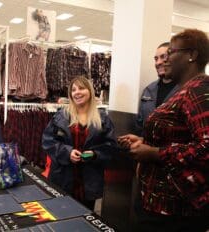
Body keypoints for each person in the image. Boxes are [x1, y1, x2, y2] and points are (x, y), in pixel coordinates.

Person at [118, 29, 209, 232]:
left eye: (172, 52)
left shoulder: (199, 91)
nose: (165, 59)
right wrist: (146, 142)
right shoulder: (187, 89)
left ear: (192, 55)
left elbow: (206, 148)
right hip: (159, 203)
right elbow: (179, 137)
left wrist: (155, 153)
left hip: (175, 210)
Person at [42, 76, 118, 210]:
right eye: (73, 90)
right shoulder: (61, 116)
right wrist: (67, 152)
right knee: (61, 216)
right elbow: (48, 141)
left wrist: (95, 154)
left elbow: (111, 147)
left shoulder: (102, 119)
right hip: (63, 177)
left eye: (81, 88)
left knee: (85, 217)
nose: (77, 92)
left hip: (89, 181)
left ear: (90, 91)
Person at [136, 42, 178, 134]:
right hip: (145, 146)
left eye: (163, 57)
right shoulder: (148, 90)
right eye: (156, 59)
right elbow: (140, 125)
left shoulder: (185, 90)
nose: (158, 62)